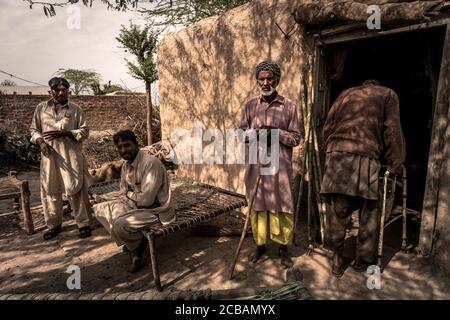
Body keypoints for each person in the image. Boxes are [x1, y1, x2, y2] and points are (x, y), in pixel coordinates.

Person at [321, 79, 406, 277]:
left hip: (337, 156)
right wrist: (395, 163)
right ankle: (361, 259)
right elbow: (392, 130)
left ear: (363, 85)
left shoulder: (345, 93)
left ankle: (336, 258)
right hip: (365, 156)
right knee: (370, 210)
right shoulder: (387, 94)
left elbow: (328, 126)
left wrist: (331, 151)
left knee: (337, 210)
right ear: (375, 85)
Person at [239, 61, 303, 268]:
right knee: (258, 207)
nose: (265, 82)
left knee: (281, 206)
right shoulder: (250, 106)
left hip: (280, 168)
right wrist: (256, 132)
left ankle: (283, 248)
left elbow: (296, 138)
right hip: (256, 166)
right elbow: (241, 135)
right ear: (257, 80)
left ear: (277, 79)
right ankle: (260, 245)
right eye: (262, 78)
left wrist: (275, 132)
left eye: (269, 78)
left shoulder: (289, 106)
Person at [93, 130, 175, 273]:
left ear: (136, 145)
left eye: (127, 145)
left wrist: (130, 194)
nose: (123, 150)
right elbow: (124, 190)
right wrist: (130, 196)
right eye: (120, 147)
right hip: (137, 206)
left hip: (157, 211)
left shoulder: (150, 163)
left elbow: (147, 200)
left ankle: (137, 249)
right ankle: (133, 241)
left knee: (119, 225)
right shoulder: (126, 165)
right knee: (100, 208)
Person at [30, 77, 92, 240]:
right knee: (51, 190)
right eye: (57, 90)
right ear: (50, 91)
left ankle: (83, 223)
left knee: (75, 189)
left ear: (68, 91)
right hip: (49, 158)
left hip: (71, 156)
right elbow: (33, 130)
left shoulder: (75, 109)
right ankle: (54, 225)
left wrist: (66, 133)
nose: (61, 92)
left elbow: (85, 131)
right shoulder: (41, 109)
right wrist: (41, 142)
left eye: (64, 89)